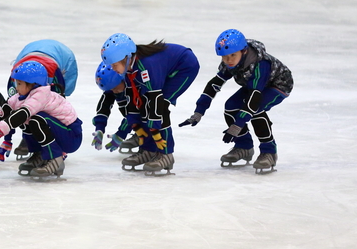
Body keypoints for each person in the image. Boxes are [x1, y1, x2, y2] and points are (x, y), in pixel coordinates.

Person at [178, 29, 292, 174]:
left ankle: (269, 151)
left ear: (244, 51)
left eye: (233, 55)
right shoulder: (229, 62)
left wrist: (237, 126)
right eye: (224, 57)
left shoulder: (260, 63)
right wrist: (198, 112)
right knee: (231, 106)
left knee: (255, 110)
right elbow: (214, 84)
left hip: (278, 85)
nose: (229, 60)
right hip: (253, 86)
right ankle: (244, 147)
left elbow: (255, 97)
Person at [100, 33, 199, 175]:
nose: (113, 69)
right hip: (163, 69)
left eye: (114, 65)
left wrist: (155, 132)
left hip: (185, 67)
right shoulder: (129, 69)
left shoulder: (147, 66)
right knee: (143, 105)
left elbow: (155, 102)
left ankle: (166, 154)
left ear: (126, 58)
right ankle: (148, 150)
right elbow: (133, 105)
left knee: (161, 107)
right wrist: (126, 131)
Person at [0, 61, 82, 178]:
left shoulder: (41, 95)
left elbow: (23, 113)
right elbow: (4, 111)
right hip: (58, 132)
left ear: (33, 85)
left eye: (19, 84)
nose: (16, 87)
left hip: (71, 135)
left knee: (34, 120)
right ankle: (39, 154)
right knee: (27, 123)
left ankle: (56, 159)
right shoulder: (20, 97)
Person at [1, 39, 79, 161]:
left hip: (63, 58)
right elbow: (14, 111)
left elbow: (60, 104)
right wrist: (7, 139)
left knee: (50, 106)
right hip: (28, 56)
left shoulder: (52, 79)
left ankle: (53, 143)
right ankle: (30, 138)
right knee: (24, 106)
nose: (17, 87)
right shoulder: (15, 83)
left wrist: (60, 145)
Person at [91, 61, 140, 154]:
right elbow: (104, 107)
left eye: (116, 88)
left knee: (147, 116)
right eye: (111, 89)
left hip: (151, 108)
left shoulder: (136, 87)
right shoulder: (114, 86)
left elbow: (135, 114)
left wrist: (121, 133)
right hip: (134, 113)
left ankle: (150, 142)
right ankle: (140, 134)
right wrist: (99, 128)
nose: (114, 91)